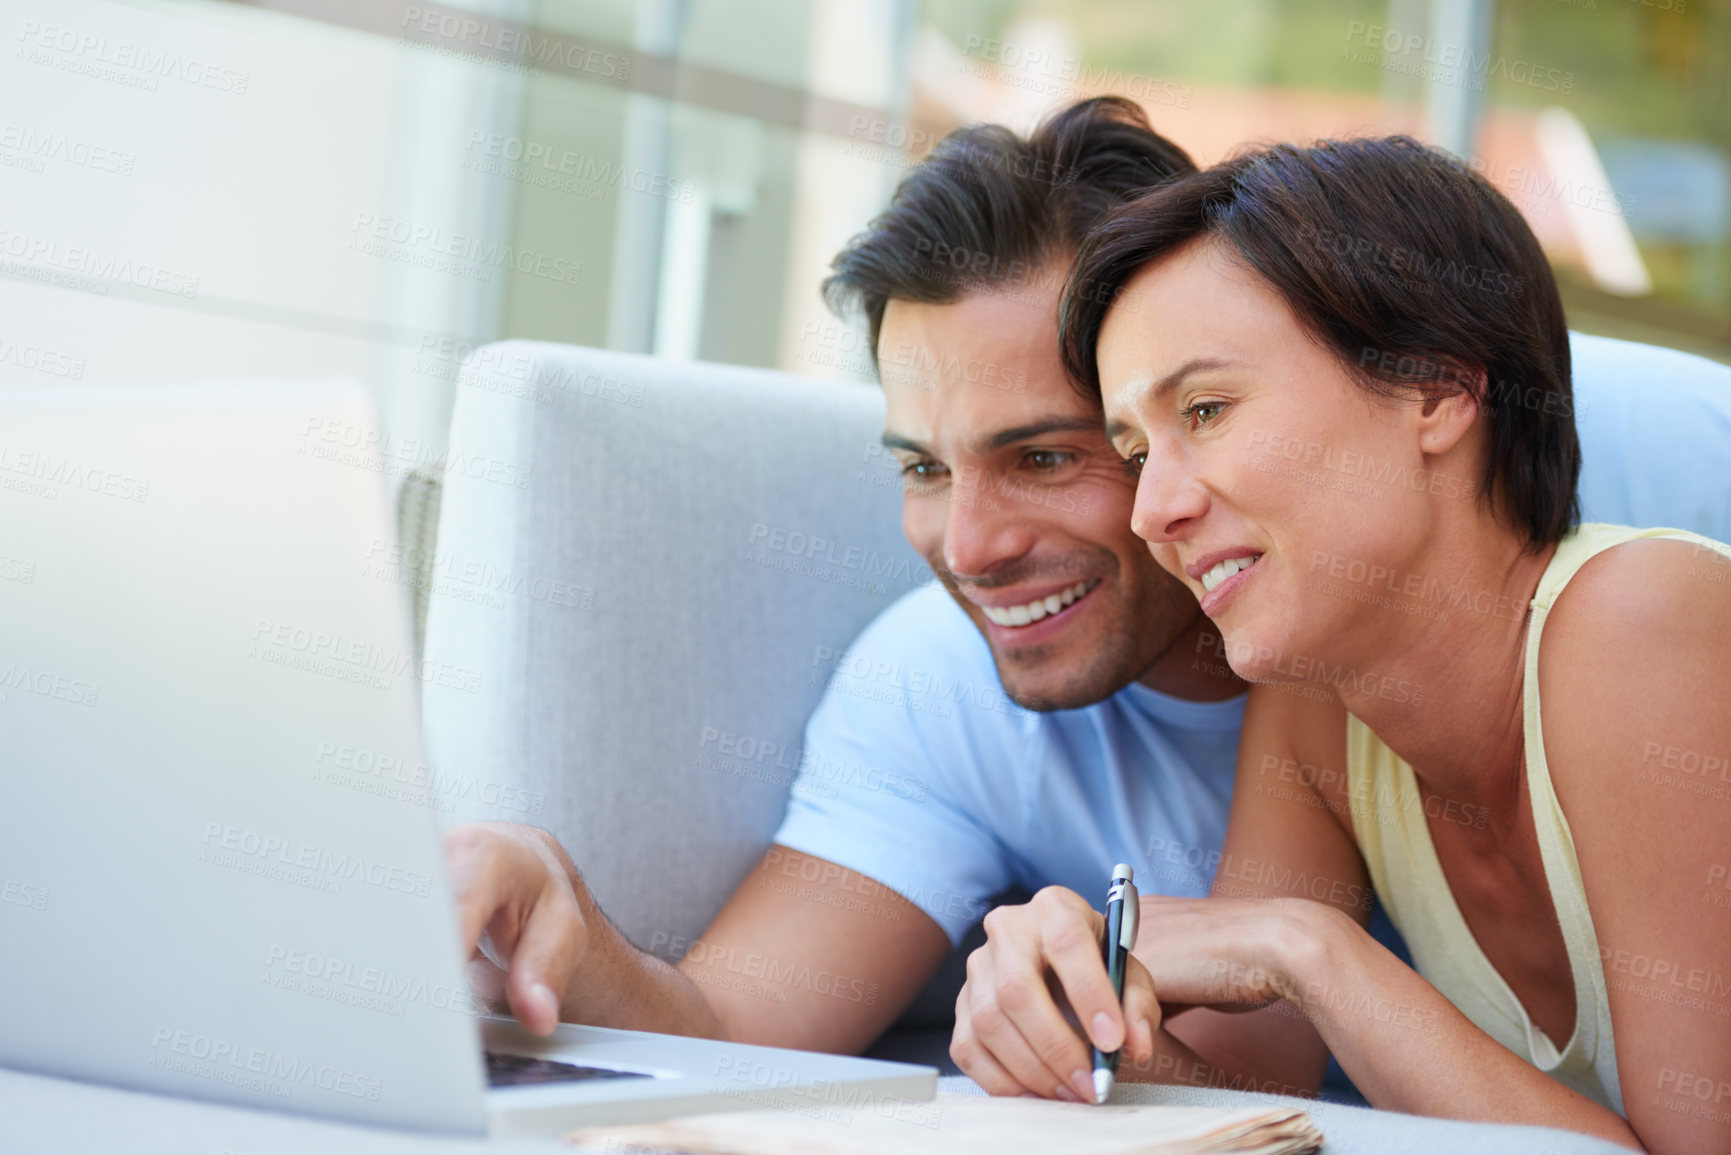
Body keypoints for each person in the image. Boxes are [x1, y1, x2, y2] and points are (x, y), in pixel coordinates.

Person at [954, 136, 1731, 1153]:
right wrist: (1078, 1019)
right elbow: (1260, 1107)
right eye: (1138, 453)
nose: (1154, 511)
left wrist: (1308, 950)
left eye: (1207, 410)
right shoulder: (1321, 705)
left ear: (1436, 390)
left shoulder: (1646, 623)